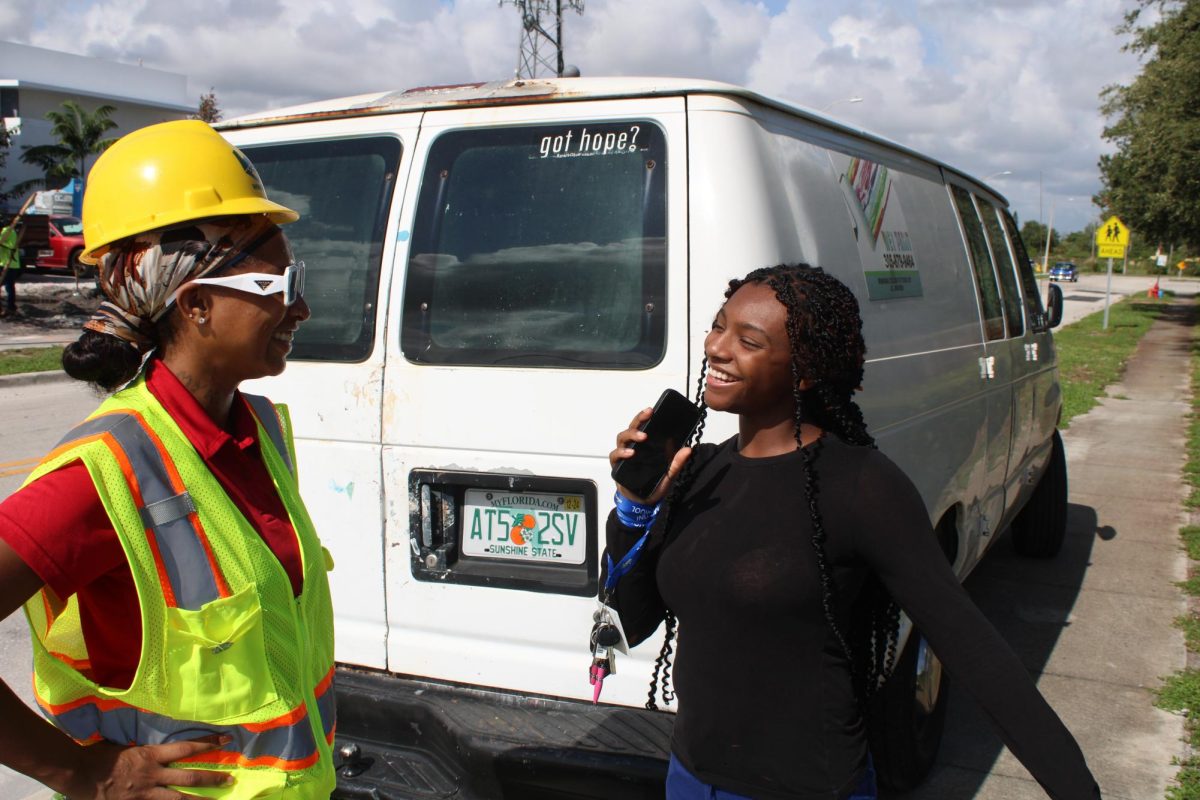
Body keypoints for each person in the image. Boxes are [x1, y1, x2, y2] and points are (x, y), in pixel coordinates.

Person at [603, 264, 1100, 800]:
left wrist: (1076, 789)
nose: (717, 348)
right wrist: (633, 510)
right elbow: (630, 618)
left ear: (807, 370)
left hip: (806, 787)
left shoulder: (862, 486)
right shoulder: (700, 469)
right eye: (718, 325)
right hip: (690, 777)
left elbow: (972, 647)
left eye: (748, 340)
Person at [0, 120, 336, 799]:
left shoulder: (259, 434)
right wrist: (87, 773)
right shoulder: (103, 472)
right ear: (198, 305)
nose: (301, 306)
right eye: (281, 283)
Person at [0, 215, 22, 316]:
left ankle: (9, 307)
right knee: (10, 286)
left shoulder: (6, 231)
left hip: (6, 263)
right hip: (13, 264)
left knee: (8, 286)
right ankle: (11, 307)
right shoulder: (12, 232)